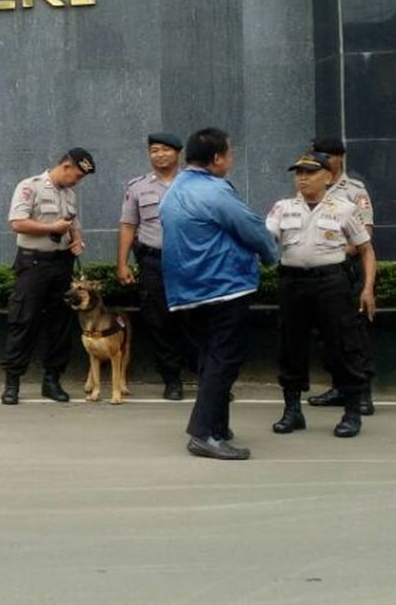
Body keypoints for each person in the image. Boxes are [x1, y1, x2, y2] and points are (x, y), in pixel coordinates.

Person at [160, 128, 277, 460]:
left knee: (210, 361)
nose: (231, 159)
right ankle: (203, 434)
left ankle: (218, 425)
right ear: (216, 159)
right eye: (229, 153)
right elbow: (251, 227)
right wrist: (271, 256)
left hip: (185, 293)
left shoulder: (174, 190)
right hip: (223, 288)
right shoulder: (215, 191)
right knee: (223, 362)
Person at [265, 152, 377, 438]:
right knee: (290, 346)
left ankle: (352, 410)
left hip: (331, 283)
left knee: (342, 344)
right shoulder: (283, 208)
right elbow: (265, 238)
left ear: (327, 177)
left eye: (310, 173)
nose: (302, 178)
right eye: (298, 173)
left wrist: (367, 289)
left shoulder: (344, 208)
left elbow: (365, 249)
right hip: (292, 283)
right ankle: (292, 411)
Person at [1, 148, 94, 405]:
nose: (77, 182)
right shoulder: (30, 187)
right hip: (33, 264)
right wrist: (51, 228)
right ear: (65, 166)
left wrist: (77, 241)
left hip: (62, 264)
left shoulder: (70, 195)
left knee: (60, 324)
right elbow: (17, 223)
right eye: (76, 176)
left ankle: (52, 380)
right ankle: (12, 382)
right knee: (24, 320)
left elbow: (73, 225)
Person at [117, 132, 195, 400]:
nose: (159, 155)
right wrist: (122, 263)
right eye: (154, 150)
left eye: (164, 150)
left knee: (195, 319)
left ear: (178, 153)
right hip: (153, 262)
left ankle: (209, 378)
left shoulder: (195, 183)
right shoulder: (138, 187)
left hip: (191, 262)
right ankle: (171, 379)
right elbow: (128, 225)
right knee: (159, 321)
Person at [306, 137, 377, 415]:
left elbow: (366, 234)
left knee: (353, 334)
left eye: (327, 155)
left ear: (340, 158)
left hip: (347, 268)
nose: (322, 159)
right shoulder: (309, 187)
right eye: (317, 154)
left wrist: (335, 251)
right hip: (318, 274)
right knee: (325, 333)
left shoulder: (354, 190)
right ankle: (339, 387)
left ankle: (362, 394)